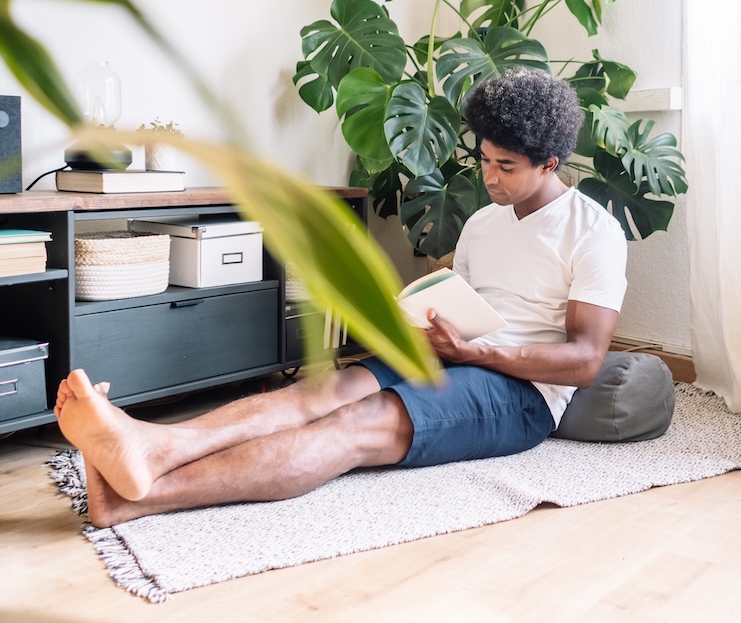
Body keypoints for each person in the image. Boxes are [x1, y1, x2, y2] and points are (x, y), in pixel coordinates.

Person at [53, 68, 628, 528]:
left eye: (507, 166)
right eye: (484, 159)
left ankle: (139, 499)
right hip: (452, 355)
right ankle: (154, 447)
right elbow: (462, 305)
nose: (490, 177)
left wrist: (475, 354)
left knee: (355, 422)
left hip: (523, 393)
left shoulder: (591, 230)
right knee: (315, 393)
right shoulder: (482, 222)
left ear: (550, 164)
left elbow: (584, 362)